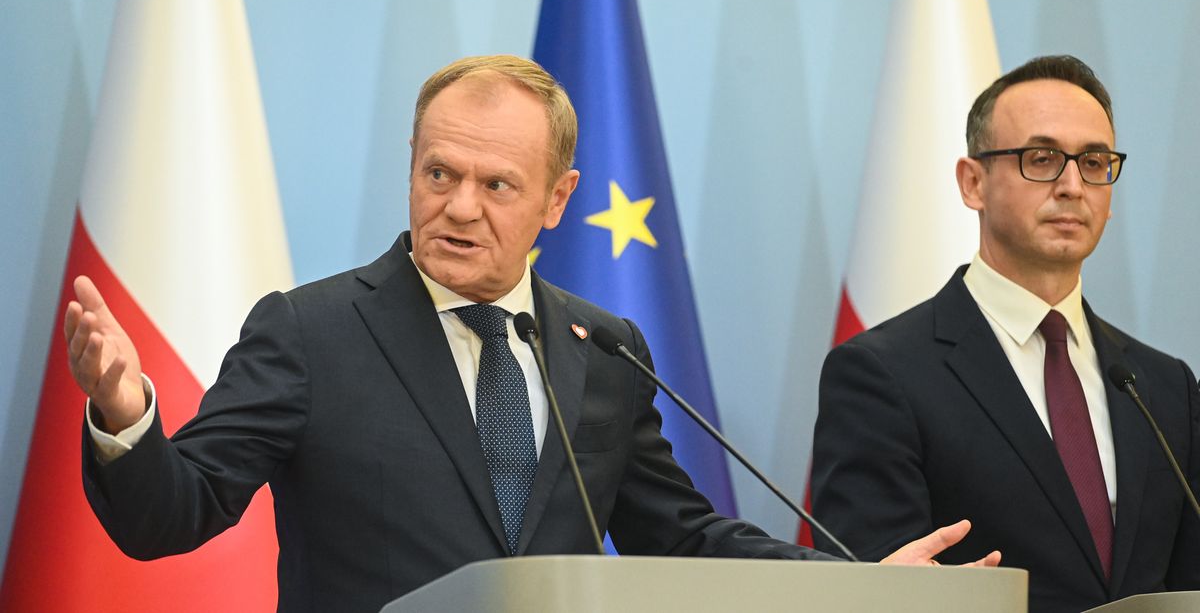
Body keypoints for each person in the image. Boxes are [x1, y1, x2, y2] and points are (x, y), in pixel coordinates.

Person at [67, 55, 996, 613]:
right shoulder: (311, 331)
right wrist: (125, 411)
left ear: (557, 199)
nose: (459, 206)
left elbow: (680, 537)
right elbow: (172, 512)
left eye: (497, 185)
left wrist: (856, 582)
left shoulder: (604, 346)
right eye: (439, 173)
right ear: (413, 167)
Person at [811, 55, 1200, 613]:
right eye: (1041, 159)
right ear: (973, 183)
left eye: (1094, 162)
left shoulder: (1162, 386)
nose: (1072, 185)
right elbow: (875, 586)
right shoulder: (883, 374)